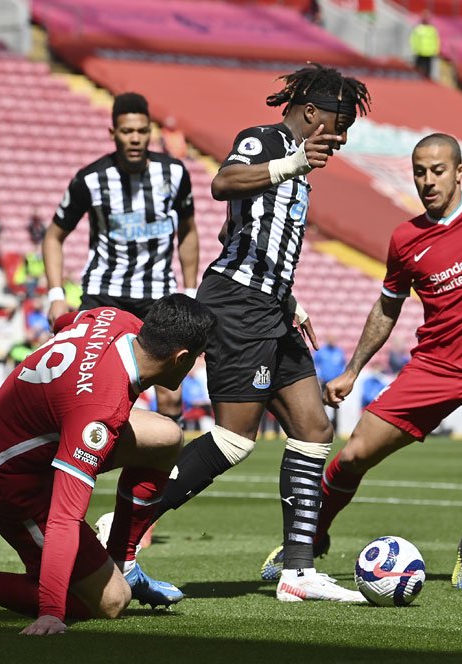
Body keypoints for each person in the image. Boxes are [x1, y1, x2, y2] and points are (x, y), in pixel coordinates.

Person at [264, 133, 462, 591]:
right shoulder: (406, 239)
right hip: (432, 368)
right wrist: (354, 369)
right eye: (420, 172)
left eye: (438, 170)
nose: (428, 180)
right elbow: (387, 307)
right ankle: (311, 537)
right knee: (354, 454)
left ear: (460, 172)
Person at [151, 64, 372, 602]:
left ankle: (297, 572)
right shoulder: (265, 140)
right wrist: (292, 163)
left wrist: (289, 300)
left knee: (315, 428)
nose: (341, 138)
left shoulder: (303, 170)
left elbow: (237, 230)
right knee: (234, 439)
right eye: (338, 124)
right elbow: (222, 183)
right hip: (237, 305)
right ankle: (124, 523)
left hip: (272, 308)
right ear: (312, 113)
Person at [0, 296, 216, 636]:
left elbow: (64, 323)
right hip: (7, 480)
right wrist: (50, 612)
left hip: (21, 435)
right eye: (197, 357)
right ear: (181, 357)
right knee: (110, 601)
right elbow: (64, 516)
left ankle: (124, 562)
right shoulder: (99, 410)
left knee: (165, 436)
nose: (197, 364)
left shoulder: (114, 318)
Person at [45, 92, 199, 426]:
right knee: (83, 382)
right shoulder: (90, 179)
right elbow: (53, 236)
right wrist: (56, 295)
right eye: (127, 131)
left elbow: (188, 231)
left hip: (158, 294)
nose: (135, 138)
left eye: (142, 131)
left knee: (170, 392)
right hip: (104, 293)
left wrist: (189, 292)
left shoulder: (174, 173)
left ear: (150, 132)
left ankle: (164, 474)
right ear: (113, 133)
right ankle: (76, 459)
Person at [314, 338, 346, 426]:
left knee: (336, 404)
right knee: (323, 403)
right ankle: (322, 425)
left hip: (336, 382)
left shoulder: (339, 352)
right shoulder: (321, 351)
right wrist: (319, 376)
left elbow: (343, 365)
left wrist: (341, 377)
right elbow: (315, 364)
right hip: (324, 382)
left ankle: (335, 427)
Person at [410, 11, 440, 79]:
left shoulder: (432, 29)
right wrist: (415, 49)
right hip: (420, 51)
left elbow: (436, 40)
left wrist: (436, 50)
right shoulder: (418, 28)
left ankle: (427, 80)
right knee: (418, 67)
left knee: (428, 69)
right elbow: (413, 40)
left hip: (429, 52)